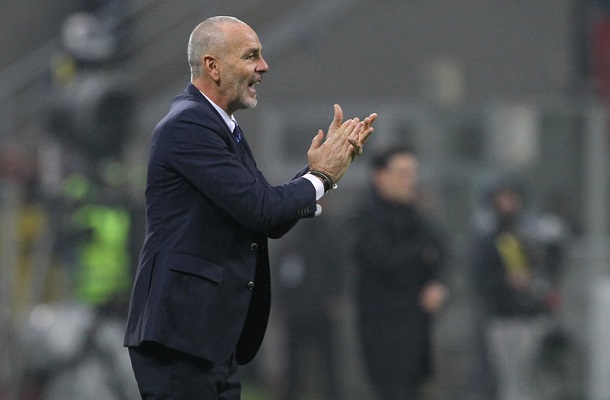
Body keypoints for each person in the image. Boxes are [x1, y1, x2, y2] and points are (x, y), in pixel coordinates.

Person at [122, 15, 377, 400]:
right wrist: (320, 177)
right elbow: (261, 210)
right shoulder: (188, 125)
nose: (264, 66)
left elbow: (266, 217)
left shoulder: (221, 128)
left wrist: (315, 173)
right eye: (250, 56)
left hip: (208, 337)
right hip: (181, 335)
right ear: (213, 66)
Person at [352, 146, 447, 400]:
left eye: (412, 173)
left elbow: (440, 248)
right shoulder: (366, 216)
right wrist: (421, 252)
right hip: (383, 328)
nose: (410, 181)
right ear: (380, 176)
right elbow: (383, 259)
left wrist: (436, 283)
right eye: (402, 174)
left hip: (417, 324)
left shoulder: (415, 215)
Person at [471, 180, 563, 400]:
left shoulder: (530, 234)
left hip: (529, 314)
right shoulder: (488, 238)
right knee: (506, 374)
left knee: (528, 372)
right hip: (501, 314)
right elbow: (481, 277)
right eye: (502, 199)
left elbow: (547, 267)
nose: (507, 204)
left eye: (511, 198)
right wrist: (506, 281)